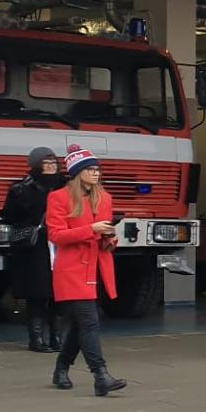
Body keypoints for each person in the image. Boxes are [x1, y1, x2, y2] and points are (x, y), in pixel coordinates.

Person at [45, 145, 126, 397]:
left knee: (80, 324)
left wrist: (109, 237)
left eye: (97, 169)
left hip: (98, 269)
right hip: (72, 270)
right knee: (89, 322)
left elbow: (105, 237)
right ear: (77, 173)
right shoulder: (58, 197)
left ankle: (61, 368)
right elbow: (56, 235)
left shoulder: (105, 198)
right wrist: (92, 229)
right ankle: (101, 375)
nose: (96, 173)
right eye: (90, 169)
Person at [1, 147, 62, 354]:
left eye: (54, 163)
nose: (51, 167)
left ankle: (56, 337)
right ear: (36, 165)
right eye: (46, 163)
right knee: (38, 292)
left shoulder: (65, 185)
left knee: (58, 292)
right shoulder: (22, 188)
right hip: (35, 246)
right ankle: (36, 338)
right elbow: (9, 216)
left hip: (60, 243)